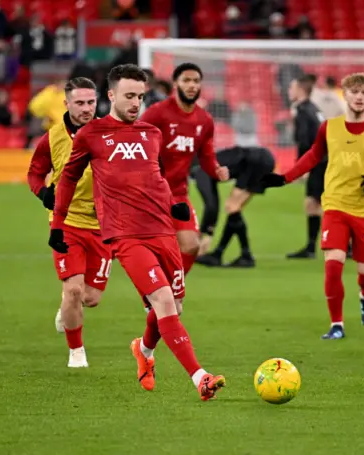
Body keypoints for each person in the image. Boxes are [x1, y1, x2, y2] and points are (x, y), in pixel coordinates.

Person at [50, 64, 225, 400]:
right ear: (112, 95)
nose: (135, 103)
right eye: (129, 96)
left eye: (140, 97)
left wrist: (173, 204)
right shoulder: (92, 134)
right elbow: (69, 179)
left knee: (174, 305)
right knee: (162, 302)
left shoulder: (151, 133)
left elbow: (152, 177)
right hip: (125, 235)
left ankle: (143, 351)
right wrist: (58, 225)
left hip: (161, 229)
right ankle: (200, 378)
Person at [262, 73, 364, 340]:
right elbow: (313, 156)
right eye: (354, 92)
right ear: (346, 95)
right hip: (336, 205)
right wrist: (285, 177)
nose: (359, 97)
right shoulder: (330, 127)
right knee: (333, 265)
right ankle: (336, 324)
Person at [27, 77, 108, 368]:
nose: (87, 108)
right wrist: (44, 193)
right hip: (67, 222)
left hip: (103, 226)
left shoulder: (109, 133)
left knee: (90, 298)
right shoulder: (52, 137)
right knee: (74, 290)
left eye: (91, 102)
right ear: (67, 103)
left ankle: (66, 306)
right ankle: (76, 352)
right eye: (80, 103)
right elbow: (35, 174)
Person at [139, 63, 229, 276]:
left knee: (191, 246)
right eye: (186, 80)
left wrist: (216, 170)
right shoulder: (158, 113)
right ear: (175, 84)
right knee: (149, 251)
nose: (191, 85)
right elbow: (136, 140)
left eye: (195, 81)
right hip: (149, 194)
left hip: (178, 194)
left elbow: (206, 156)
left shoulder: (204, 120)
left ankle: (171, 290)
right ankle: (158, 295)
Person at [194, 145, 276, 267]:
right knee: (234, 210)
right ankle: (223, 254)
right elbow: (213, 203)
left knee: (232, 207)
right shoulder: (212, 161)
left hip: (254, 162)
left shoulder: (201, 170)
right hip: (265, 159)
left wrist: (206, 234)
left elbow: (211, 205)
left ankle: (243, 255)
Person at [286, 74, 326, 259]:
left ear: (300, 90)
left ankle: (311, 248)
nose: (289, 91)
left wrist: (302, 166)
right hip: (326, 159)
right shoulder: (314, 108)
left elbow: (304, 141)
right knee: (318, 203)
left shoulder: (302, 110)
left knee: (314, 203)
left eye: (292, 88)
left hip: (319, 162)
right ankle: (346, 246)